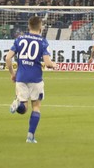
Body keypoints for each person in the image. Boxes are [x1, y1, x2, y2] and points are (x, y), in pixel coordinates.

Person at [4, 15, 58, 143]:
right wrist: (54, 64)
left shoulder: (19, 39)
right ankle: (30, 136)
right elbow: (48, 62)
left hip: (21, 77)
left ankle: (17, 104)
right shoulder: (43, 42)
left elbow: (7, 58)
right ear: (41, 28)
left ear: (28, 26)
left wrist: (12, 73)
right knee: (36, 107)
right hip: (36, 79)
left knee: (23, 108)